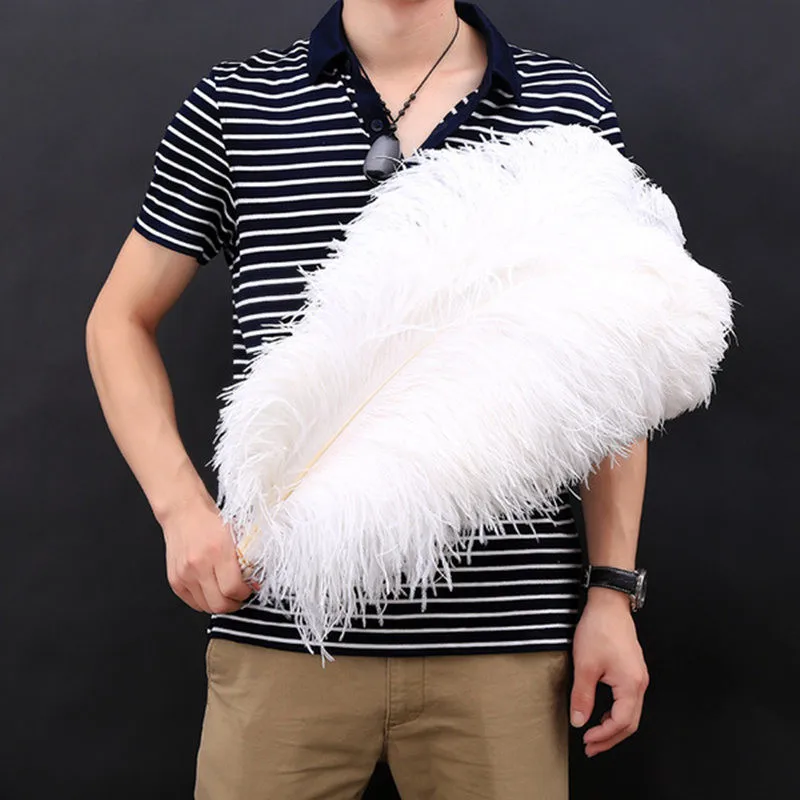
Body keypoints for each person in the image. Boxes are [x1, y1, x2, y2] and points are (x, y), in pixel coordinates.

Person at [86, 1, 650, 797]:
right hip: (282, 630)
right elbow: (117, 320)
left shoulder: (565, 106)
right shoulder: (237, 104)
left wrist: (613, 592)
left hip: (501, 645)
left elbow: (616, 367)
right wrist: (181, 510)